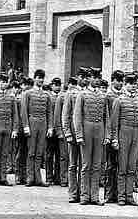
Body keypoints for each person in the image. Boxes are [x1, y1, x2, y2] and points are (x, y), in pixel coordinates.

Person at [109, 73, 138, 206]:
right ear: (125, 84)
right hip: (123, 134)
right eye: (130, 83)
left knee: (132, 167)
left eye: (134, 84)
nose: (132, 86)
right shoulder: (119, 100)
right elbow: (114, 123)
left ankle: (130, 196)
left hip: (136, 134)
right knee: (122, 167)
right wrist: (114, 139)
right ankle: (121, 197)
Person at [73, 78, 108, 205]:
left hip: (99, 131)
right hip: (86, 130)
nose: (97, 81)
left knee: (97, 165)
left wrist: (106, 135)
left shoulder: (102, 96)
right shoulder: (82, 95)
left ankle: (94, 196)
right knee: (86, 165)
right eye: (94, 78)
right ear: (89, 80)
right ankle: (84, 196)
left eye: (98, 77)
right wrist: (79, 135)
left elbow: (106, 117)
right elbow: (77, 116)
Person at [20, 69, 53, 187]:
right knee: (31, 152)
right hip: (32, 123)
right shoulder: (27, 94)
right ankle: (30, 178)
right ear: (34, 79)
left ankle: (38, 178)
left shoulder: (47, 95)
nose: (41, 80)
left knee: (40, 152)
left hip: (43, 124)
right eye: (39, 78)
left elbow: (49, 112)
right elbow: (23, 111)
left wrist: (50, 127)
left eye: (42, 78)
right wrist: (26, 126)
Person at [104, 70, 124, 203]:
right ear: (113, 81)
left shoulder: (123, 95)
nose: (121, 83)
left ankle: (118, 193)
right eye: (118, 80)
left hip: (123, 134)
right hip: (111, 134)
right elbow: (107, 117)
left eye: (122, 80)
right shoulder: (108, 96)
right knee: (110, 165)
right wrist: (110, 136)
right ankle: (109, 194)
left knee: (121, 165)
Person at [63, 74, 83, 203]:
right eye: (83, 77)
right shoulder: (71, 94)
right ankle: (72, 193)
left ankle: (82, 192)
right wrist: (68, 133)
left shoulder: (87, 94)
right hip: (73, 134)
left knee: (84, 165)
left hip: (84, 134)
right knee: (72, 164)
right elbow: (66, 115)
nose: (85, 79)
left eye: (88, 77)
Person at [46, 77, 63, 185]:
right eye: (55, 85)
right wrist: (50, 127)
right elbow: (48, 113)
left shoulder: (62, 97)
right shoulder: (49, 97)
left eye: (59, 85)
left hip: (60, 129)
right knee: (49, 154)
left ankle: (57, 177)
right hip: (51, 129)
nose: (57, 87)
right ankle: (49, 177)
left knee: (59, 154)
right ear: (51, 85)